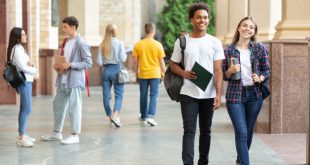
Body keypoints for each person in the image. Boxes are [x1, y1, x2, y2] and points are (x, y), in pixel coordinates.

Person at [169, 2, 224, 165]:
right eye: (199, 17)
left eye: (205, 17)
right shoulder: (182, 42)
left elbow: (218, 70)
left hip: (209, 94)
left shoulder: (215, 42)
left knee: (206, 131)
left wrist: (218, 95)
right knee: (189, 131)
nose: (203, 20)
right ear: (192, 19)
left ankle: (203, 161)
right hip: (188, 93)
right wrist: (183, 73)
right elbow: (173, 64)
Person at [222, 16, 270, 165]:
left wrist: (260, 78)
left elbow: (267, 70)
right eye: (245, 25)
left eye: (251, 27)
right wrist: (230, 70)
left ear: (254, 31)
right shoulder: (228, 50)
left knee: (248, 132)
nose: (247, 29)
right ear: (239, 28)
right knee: (241, 132)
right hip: (234, 95)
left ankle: (240, 160)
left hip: (254, 95)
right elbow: (224, 75)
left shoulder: (259, 48)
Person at [41, 16, 92, 144]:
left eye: (65, 27)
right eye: (63, 26)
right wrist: (58, 66)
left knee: (74, 107)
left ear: (73, 27)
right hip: (63, 79)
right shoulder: (66, 42)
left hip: (74, 81)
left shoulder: (81, 42)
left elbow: (88, 63)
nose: (63, 29)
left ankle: (75, 135)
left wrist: (71, 65)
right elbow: (65, 59)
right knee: (57, 104)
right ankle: (57, 133)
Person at [7, 27, 37, 147]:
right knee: (27, 108)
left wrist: (31, 65)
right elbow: (24, 67)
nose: (26, 36)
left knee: (24, 108)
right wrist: (34, 68)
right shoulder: (17, 49)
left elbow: (28, 63)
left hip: (27, 81)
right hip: (24, 81)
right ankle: (21, 137)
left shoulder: (20, 48)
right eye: (23, 34)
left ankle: (22, 133)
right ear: (17, 37)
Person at [132, 22, 166, 126]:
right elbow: (161, 62)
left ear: (145, 30)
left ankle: (143, 117)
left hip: (143, 74)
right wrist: (163, 74)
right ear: (153, 31)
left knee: (143, 95)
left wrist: (136, 74)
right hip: (155, 74)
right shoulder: (158, 45)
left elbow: (135, 62)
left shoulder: (138, 45)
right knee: (154, 95)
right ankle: (151, 117)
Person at [97, 24, 127, 127]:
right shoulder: (120, 43)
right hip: (117, 70)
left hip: (106, 71)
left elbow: (99, 62)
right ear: (115, 32)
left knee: (106, 96)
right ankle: (115, 114)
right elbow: (123, 59)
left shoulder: (102, 45)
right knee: (119, 95)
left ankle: (110, 116)